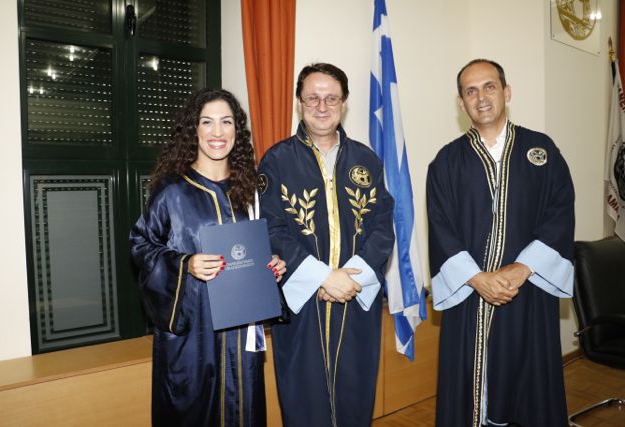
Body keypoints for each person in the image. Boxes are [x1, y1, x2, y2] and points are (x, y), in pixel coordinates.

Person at [427, 59, 574, 427]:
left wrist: (522, 268)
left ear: (506, 92)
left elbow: (560, 213)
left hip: (529, 291)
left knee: (530, 386)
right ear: (461, 103)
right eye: (471, 91)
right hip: (470, 296)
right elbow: (440, 227)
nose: (481, 97)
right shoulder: (446, 162)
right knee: (469, 388)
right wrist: (478, 279)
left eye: (489, 87)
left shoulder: (541, 150)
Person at [130, 88, 286, 426]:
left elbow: (259, 247)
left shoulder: (249, 191)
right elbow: (141, 245)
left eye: (226, 122)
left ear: (237, 131)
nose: (218, 132)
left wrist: (272, 264)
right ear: (194, 130)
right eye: (207, 122)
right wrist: (184, 264)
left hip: (241, 329)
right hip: (193, 333)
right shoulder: (172, 190)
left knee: (243, 408)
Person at [258, 63, 394, 427]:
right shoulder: (276, 160)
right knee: (305, 399)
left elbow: (383, 225)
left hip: (355, 297)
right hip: (303, 303)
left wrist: (350, 279)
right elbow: (270, 227)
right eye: (313, 98)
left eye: (331, 98)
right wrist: (322, 277)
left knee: (355, 393)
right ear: (299, 103)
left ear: (344, 103)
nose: (322, 106)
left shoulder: (366, 159)